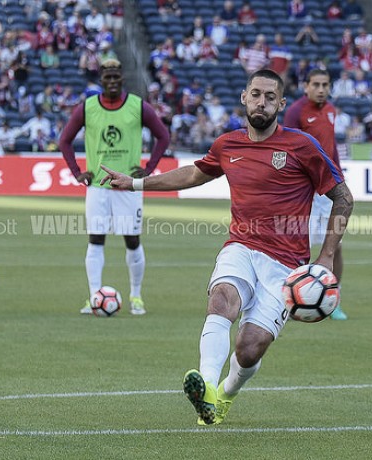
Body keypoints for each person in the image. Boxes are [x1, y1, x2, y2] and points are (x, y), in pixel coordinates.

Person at [98, 69, 354, 425]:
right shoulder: (228, 144)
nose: (261, 102)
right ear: (244, 98)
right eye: (255, 94)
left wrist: (326, 255)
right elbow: (192, 174)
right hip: (241, 246)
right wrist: (135, 184)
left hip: (285, 266)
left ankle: (225, 396)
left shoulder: (301, 146)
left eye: (269, 97)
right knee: (221, 299)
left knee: (249, 349)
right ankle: (205, 385)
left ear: (281, 103)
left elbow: (343, 197)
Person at [59, 59, 170, 316]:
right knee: (95, 240)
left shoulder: (137, 107)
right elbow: (64, 141)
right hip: (98, 187)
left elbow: (163, 136)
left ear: (121, 79)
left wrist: (149, 169)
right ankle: (94, 297)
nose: (111, 82)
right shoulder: (86, 108)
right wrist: (77, 172)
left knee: (132, 240)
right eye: (106, 78)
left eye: (115, 77)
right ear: (101, 80)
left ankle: (136, 295)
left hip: (128, 188)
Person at [283, 68, 348, 321]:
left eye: (325, 84)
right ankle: (291, 298)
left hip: (328, 188)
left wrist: (339, 179)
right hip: (304, 190)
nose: (321, 89)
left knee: (337, 245)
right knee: (298, 247)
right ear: (306, 86)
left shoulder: (331, 110)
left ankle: (334, 296)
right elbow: (287, 148)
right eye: (316, 84)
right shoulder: (296, 112)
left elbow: (331, 150)